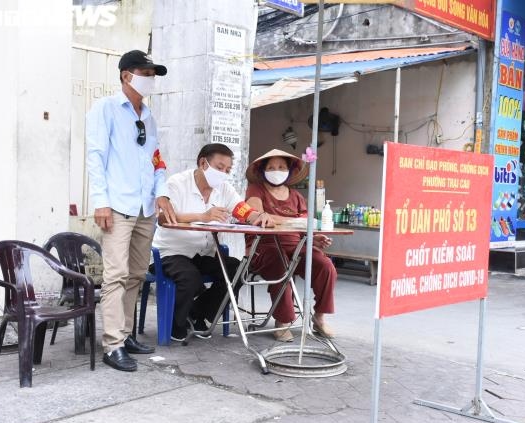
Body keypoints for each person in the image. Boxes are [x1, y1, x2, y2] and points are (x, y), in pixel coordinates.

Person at [86, 49, 177, 372]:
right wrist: (101, 201)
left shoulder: (148, 117)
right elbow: (95, 156)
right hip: (117, 205)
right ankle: (112, 344)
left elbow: (156, 161)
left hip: (144, 207)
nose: (150, 80)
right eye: (146, 73)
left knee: (137, 274)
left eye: (153, 75)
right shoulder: (106, 108)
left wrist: (162, 194)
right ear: (127, 75)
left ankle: (124, 335)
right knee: (115, 275)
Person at [152, 143, 274, 342]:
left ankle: (197, 313)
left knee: (238, 270)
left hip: (204, 253)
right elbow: (163, 218)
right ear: (203, 163)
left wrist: (258, 217)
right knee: (190, 278)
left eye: (227, 170)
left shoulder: (223, 188)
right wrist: (203, 216)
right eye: (220, 167)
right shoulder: (177, 183)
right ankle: (175, 323)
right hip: (171, 252)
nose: (224, 174)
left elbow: (241, 210)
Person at [245, 149, 337, 342]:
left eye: (281, 167)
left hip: (296, 245)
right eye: (271, 167)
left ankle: (319, 317)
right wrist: (291, 221)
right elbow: (259, 216)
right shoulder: (256, 189)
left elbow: (305, 226)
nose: (276, 170)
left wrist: (315, 237)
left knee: (325, 265)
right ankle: (283, 321)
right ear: (262, 171)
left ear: (289, 171)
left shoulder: (296, 196)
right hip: (263, 247)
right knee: (280, 265)